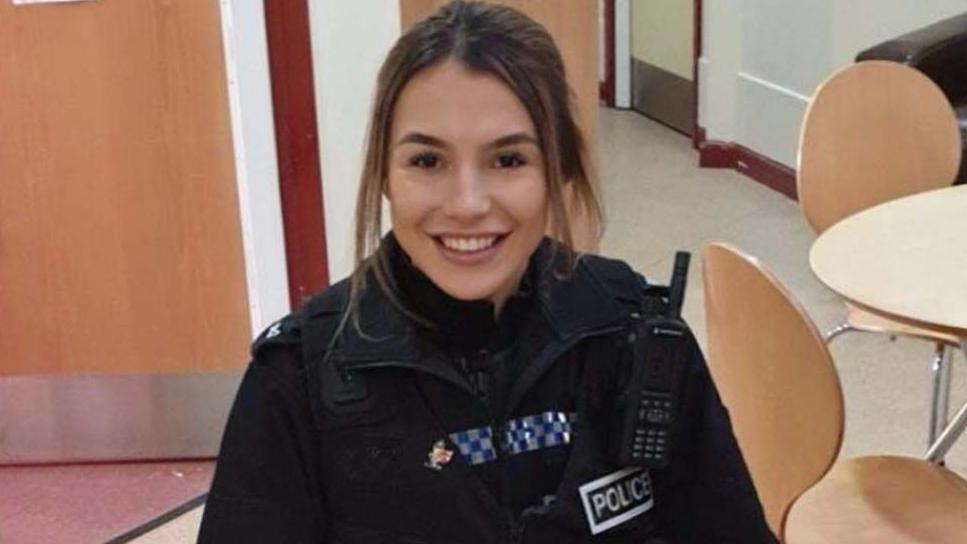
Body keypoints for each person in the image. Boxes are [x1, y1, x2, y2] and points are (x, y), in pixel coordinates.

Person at [198, 2, 775, 542]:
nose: (468, 203)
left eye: (508, 160)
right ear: (384, 176)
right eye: (427, 161)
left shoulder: (635, 335)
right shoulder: (296, 379)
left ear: (559, 169)